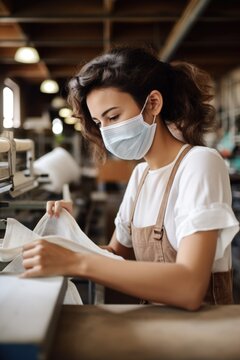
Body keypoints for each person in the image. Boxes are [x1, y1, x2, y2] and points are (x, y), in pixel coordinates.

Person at [22, 47, 239, 310]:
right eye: (99, 123)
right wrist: (67, 236)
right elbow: (113, 256)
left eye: (113, 116)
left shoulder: (200, 163)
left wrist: (74, 261)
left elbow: (190, 286)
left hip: (205, 335)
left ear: (153, 104)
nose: (107, 132)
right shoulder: (141, 175)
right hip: (161, 325)